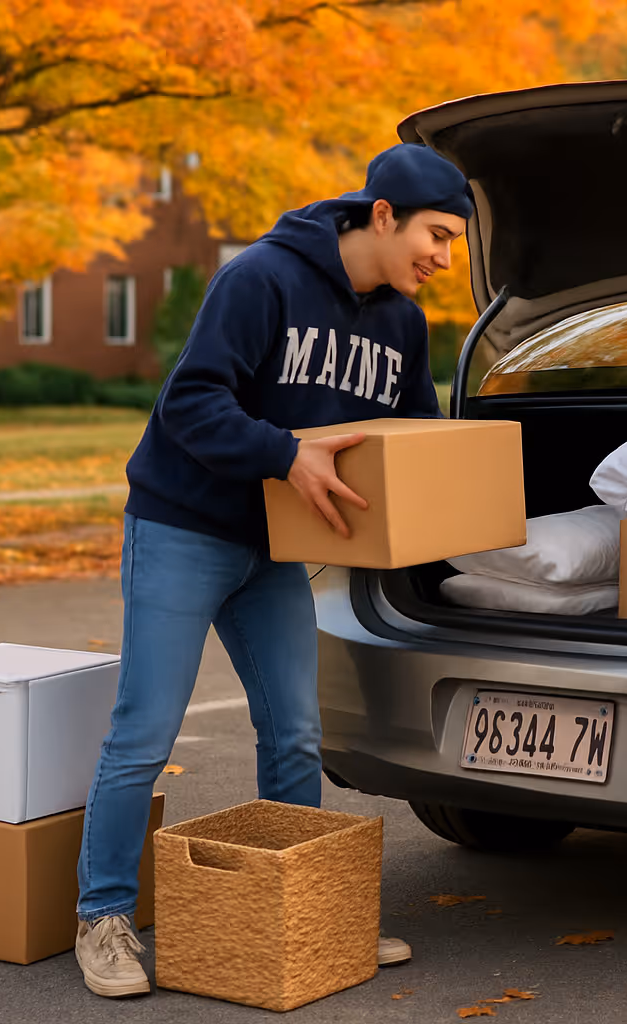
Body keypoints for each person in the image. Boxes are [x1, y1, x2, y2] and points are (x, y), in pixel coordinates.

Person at [72, 143, 473, 998]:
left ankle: (302, 905)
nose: (443, 260)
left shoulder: (403, 322)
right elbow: (190, 404)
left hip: (277, 547)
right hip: (184, 524)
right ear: (381, 216)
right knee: (145, 733)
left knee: (293, 730)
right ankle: (102, 918)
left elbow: (415, 445)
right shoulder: (260, 278)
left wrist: (464, 549)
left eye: (453, 245)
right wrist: (285, 454)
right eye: (435, 237)